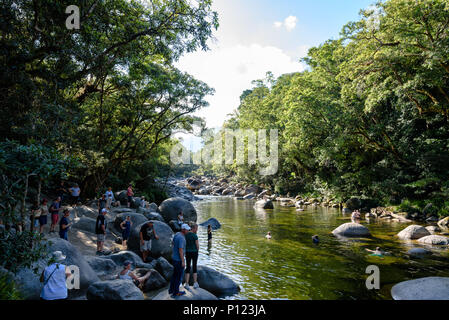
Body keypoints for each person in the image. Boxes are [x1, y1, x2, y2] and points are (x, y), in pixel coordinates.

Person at [168, 223, 190, 297]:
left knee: (174, 275)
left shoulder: (177, 234)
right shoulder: (181, 238)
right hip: (178, 260)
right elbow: (180, 249)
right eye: (187, 229)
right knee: (178, 276)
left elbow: (173, 243)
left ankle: (171, 290)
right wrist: (183, 261)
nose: (188, 230)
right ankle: (176, 292)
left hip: (174, 258)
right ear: (183, 230)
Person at [184, 223, 200, 290]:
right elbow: (197, 246)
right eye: (196, 228)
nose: (197, 230)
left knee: (187, 267)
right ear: (193, 228)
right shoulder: (195, 236)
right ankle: (195, 283)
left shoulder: (186, 235)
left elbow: (184, 243)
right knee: (194, 266)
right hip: (194, 252)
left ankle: (186, 283)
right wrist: (197, 251)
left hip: (187, 252)